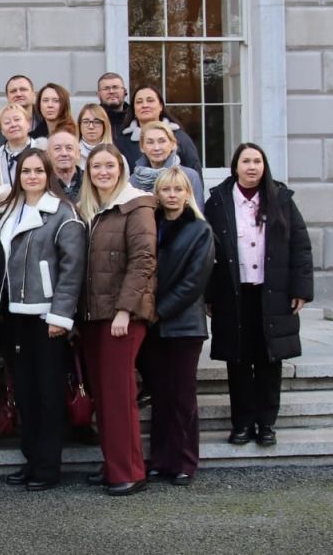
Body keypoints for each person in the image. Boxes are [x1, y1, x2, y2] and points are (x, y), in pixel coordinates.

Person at [205, 143, 313, 448]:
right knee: (238, 361)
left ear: (264, 166)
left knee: (269, 361)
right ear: (235, 166)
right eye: (246, 161)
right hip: (234, 296)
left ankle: (266, 424)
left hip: (273, 294)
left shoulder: (281, 200)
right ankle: (241, 423)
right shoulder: (218, 202)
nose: (252, 166)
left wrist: (300, 290)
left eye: (257, 161)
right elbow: (208, 250)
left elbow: (301, 247)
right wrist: (209, 295)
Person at [0, 149, 87, 491]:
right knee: (26, 392)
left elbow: (72, 269)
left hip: (47, 317)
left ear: (48, 174)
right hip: (14, 316)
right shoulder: (11, 211)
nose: (31, 176)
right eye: (25, 171)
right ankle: (31, 460)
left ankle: (48, 467)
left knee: (48, 395)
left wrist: (61, 316)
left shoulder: (64, 214)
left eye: (38, 171)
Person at [77, 144, 157, 496]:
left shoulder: (136, 206)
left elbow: (143, 261)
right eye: (96, 167)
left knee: (120, 395)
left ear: (121, 169)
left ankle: (129, 471)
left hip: (121, 317)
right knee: (105, 397)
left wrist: (125, 310)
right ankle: (113, 463)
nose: (103, 172)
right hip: (96, 316)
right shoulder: (92, 210)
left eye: (109, 166)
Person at [143, 167, 214, 486]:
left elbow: (194, 281)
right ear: (157, 193)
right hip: (153, 325)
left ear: (188, 193)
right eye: (166, 189)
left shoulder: (199, 230)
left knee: (182, 396)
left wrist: (160, 310)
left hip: (184, 325)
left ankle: (184, 460)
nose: (171, 195)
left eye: (178, 189)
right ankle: (160, 459)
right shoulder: (150, 226)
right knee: (160, 396)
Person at [117, 84, 202, 172]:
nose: (145, 105)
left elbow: (195, 175)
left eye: (150, 100)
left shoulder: (179, 137)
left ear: (161, 106)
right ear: (134, 109)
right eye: (139, 102)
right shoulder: (123, 142)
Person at [130, 120, 205, 202]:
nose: (156, 148)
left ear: (173, 144)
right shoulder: (134, 180)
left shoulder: (189, 176)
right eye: (150, 142)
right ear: (142, 147)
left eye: (162, 141)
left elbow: (197, 212)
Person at [0, 75, 44, 145]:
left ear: (33, 94)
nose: (18, 94)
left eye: (23, 89)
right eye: (13, 91)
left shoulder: (46, 122)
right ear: (7, 97)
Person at [0, 103, 37, 185]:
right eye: (7, 122)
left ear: (28, 124)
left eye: (17, 120)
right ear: (1, 131)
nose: (13, 125)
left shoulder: (44, 151)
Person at [47, 127, 83, 202]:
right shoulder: (43, 182)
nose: (64, 153)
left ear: (78, 154)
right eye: (57, 148)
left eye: (69, 148)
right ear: (48, 155)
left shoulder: (89, 179)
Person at [97, 72, 131, 143]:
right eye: (106, 88)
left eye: (115, 87)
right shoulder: (91, 122)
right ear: (98, 94)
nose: (111, 91)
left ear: (125, 92)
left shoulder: (136, 120)